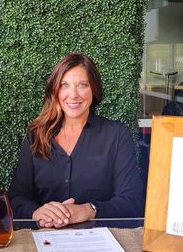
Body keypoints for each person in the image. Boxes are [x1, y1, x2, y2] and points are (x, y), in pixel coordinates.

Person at [9, 53, 144, 228]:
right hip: (45, 239)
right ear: (55, 91)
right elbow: (15, 197)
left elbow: (132, 201)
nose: (73, 95)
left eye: (82, 85)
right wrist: (36, 212)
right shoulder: (35, 136)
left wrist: (89, 209)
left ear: (93, 89)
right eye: (64, 85)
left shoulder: (116, 135)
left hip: (99, 242)